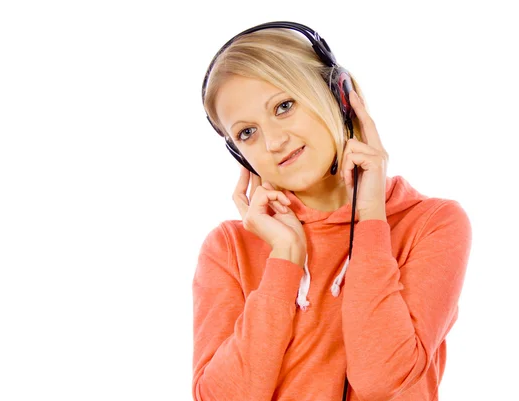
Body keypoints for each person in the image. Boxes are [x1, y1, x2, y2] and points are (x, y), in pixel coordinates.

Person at [193, 21, 472, 401]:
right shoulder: (229, 247)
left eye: (284, 106)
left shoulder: (432, 224)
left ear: (339, 95)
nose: (273, 142)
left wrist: (371, 213)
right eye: (247, 133)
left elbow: (381, 379)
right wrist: (284, 261)